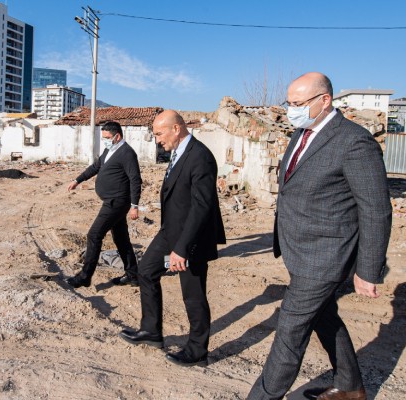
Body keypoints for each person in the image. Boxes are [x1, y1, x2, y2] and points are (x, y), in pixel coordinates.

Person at [247, 72, 392, 400]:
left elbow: (375, 210)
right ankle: (351, 386)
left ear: (325, 100)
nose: (290, 110)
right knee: (325, 317)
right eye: (289, 103)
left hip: (325, 257)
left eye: (298, 104)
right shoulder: (301, 133)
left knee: (289, 331)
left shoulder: (353, 141)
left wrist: (368, 271)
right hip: (299, 250)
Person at [119, 110, 225, 367]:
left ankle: (198, 349)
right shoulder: (178, 153)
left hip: (191, 241)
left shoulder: (200, 157)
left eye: (159, 133)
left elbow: (201, 208)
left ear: (176, 128)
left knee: (193, 294)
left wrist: (182, 249)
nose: (157, 140)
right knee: (146, 271)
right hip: (170, 233)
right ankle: (151, 331)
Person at [66, 121, 142, 288]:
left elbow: (135, 180)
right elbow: (96, 167)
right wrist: (78, 180)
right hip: (112, 201)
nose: (105, 140)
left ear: (117, 136)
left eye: (107, 138)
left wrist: (134, 205)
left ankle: (85, 277)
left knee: (94, 235)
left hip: (117, 202)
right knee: (121, 239)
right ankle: (133, 275)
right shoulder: (110, 149)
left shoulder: (127, 153)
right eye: (103, 138)